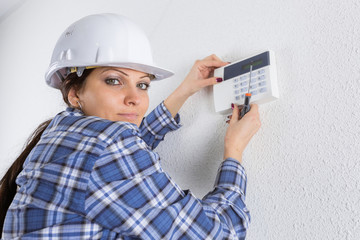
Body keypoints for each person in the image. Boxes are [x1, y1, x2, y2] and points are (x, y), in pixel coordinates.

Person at [0, 13, 261, 239]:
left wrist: (184, 91)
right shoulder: (110, 147)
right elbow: (219, 235)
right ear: (75, 93)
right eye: (114, 81)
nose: (135, 98)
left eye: (143, 84)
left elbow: (118, 162)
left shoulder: (62, 131)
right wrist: (234, 150)